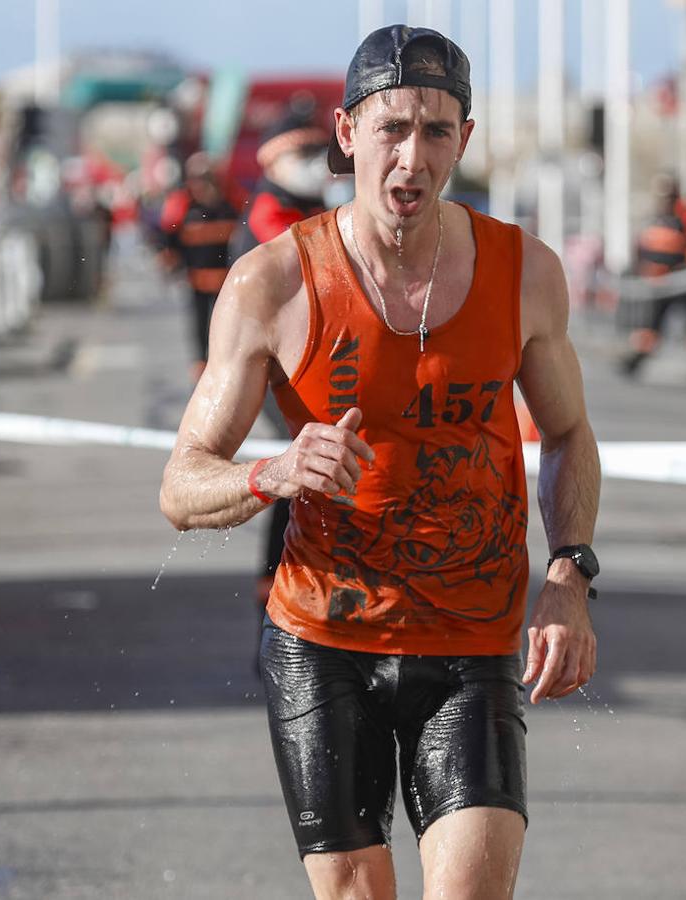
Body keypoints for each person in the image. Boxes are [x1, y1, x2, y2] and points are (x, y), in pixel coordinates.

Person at [159, 24, 601, 899]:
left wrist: (570, 571)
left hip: (472, 642)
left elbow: (570, 435)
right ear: (348, 131)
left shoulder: (526, 273)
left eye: (437, 131)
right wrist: (270, 474)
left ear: (464, 141)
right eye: (392, 128)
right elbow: (181, 482)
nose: (412, 156)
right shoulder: (273, 283)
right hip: (324, 643)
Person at [226, 110, 331, 618]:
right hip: (276, 371)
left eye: (320, 153)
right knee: (298, 475)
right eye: (303, 154)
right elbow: (320, 263)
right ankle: (276, 593)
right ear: (274, 160)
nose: (316, 164)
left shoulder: (308, 205)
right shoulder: (271, 212)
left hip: (309, 365)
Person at [619, 175, 686, 383]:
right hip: (662, 284)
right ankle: (637, 360)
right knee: (652, 324)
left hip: (684, 283)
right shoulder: (659, 215)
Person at [159, 152, 242, 383]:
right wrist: (170, 260)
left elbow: (246, 230)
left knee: (227, 323)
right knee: (199, 321)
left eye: (206, 178)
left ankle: (225, 362)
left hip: (227, 280)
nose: (202, 184)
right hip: (197, 279)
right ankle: (200, 363)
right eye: (197, 178)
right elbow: (169, 236)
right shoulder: (184, 207)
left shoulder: (230, 204)